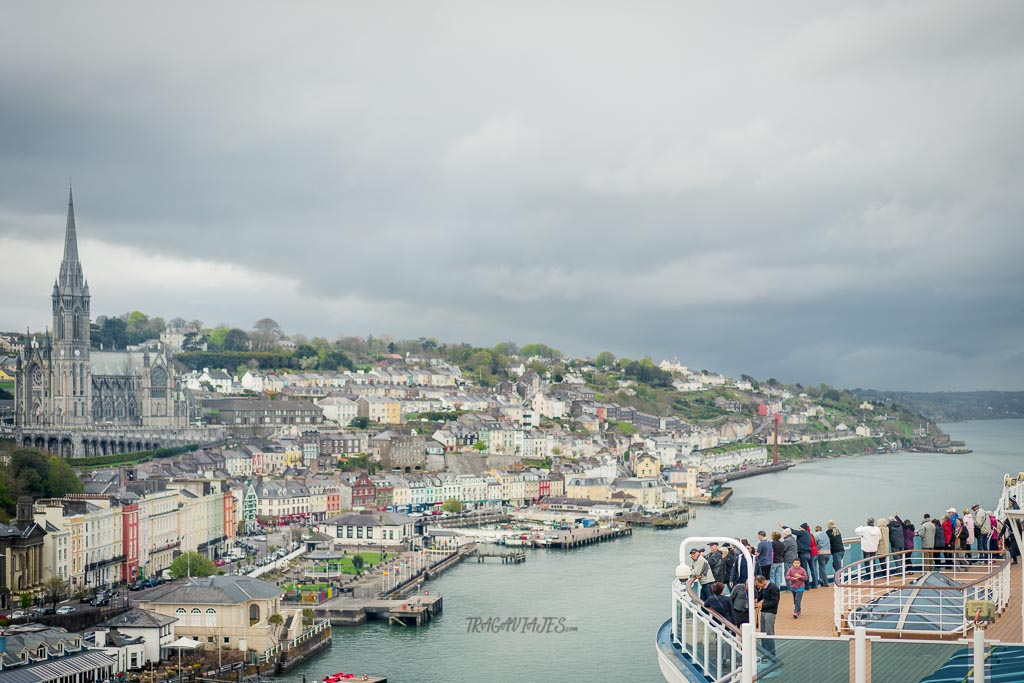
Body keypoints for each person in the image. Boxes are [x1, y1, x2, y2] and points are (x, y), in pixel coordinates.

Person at [754, 574, 779, 656]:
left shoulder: (773, 588)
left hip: (770, 612)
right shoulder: (764, 587)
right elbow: (761, 595)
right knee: (763, 632)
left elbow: (775, 602)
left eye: (758, 584)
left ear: (763, 582)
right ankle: (766, 652)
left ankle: (772, 653)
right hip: (764, 612)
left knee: (769, 633)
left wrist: (762, 605)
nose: (758, 586)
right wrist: (757, 599)